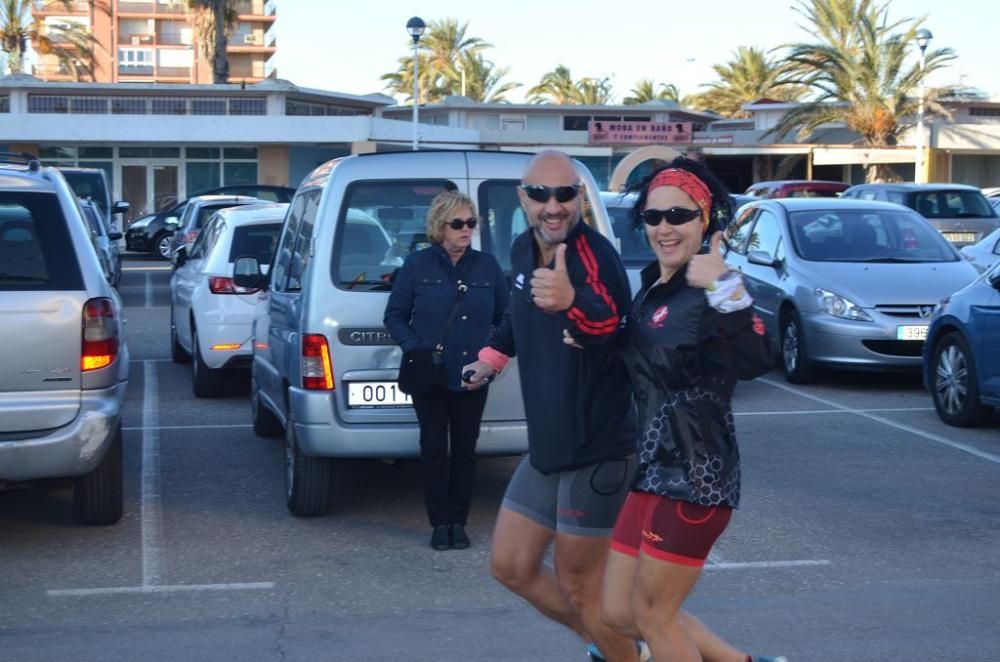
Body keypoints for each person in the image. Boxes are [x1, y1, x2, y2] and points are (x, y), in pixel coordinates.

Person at [597, 158, 783, 662]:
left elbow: (756, 360)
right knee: (617, 612)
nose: (665, 227)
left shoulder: (713, 286)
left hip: (697, 479)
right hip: (652, 472)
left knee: (654, 616)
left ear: (705, 221)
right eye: (654, 217)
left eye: (679, 215)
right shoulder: (652, 289)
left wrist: (724, 285)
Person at [462, 151, 641, 662]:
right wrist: (492, 358)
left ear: (581, 199)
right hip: (548, 444)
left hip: (597, 449)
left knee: (583, 588)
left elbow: (616, 328)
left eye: (565, 194)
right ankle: (620, 645)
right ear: (523, 199)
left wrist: (573, 304)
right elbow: (517, 316)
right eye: (540, 194)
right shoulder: (521, 249)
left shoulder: (595, 256)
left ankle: (624, 650)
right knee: (512, 566)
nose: (553, 206)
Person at [383, 190, 508, 551]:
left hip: (473, 375)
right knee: (435, 448)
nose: (466, 230)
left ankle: (460, 522)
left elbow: (505, 318)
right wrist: (416, 350)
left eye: (471, 223)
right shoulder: (417, 266)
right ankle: (440, 523)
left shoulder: (487, 266)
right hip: (431, 375)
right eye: (458, 224)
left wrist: (490, 357)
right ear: (440, 227)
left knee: (466, 451)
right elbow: (394, 315)